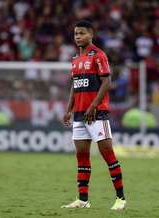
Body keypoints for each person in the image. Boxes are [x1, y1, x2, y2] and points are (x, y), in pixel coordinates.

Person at [61, 20, 126, 210]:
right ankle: (82, 199)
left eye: (81, 33)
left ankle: (120, 199)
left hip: (97, 114)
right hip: (80, 115)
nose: (78, 37)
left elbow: (107, 83)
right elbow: (75, 86)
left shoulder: (98, 56)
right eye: (75, 34)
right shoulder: (75, 60)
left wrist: (94, 106)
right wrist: (68, 109)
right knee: (81, 156)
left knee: (108, 155)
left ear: (91, 34)